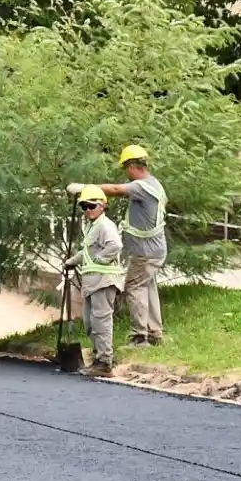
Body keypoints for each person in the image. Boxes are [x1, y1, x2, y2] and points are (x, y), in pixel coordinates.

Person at [69, 144, 168, 346]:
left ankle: (139, 337)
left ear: (132, 166)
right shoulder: (155, 184)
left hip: (145, 252)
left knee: (133, 287)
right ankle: (155, 332)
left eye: (125, 168)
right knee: (147, 287)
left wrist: (86, 190)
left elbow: (114, 189)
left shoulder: (142, 186)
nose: (126, 173)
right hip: (154, 249)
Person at [63, 185, 125, 377]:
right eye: (84, 206)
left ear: (102, 206)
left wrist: (101, 260)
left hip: (104, 281)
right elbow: (88, 252)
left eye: (91, 206)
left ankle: (105, 362)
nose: (87, 210)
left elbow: (115, 245)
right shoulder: (92, 227)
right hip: (92, 283)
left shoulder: (105, 225)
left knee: (101, 321)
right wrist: (71, 262)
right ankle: (99, 356)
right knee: (90, 323)